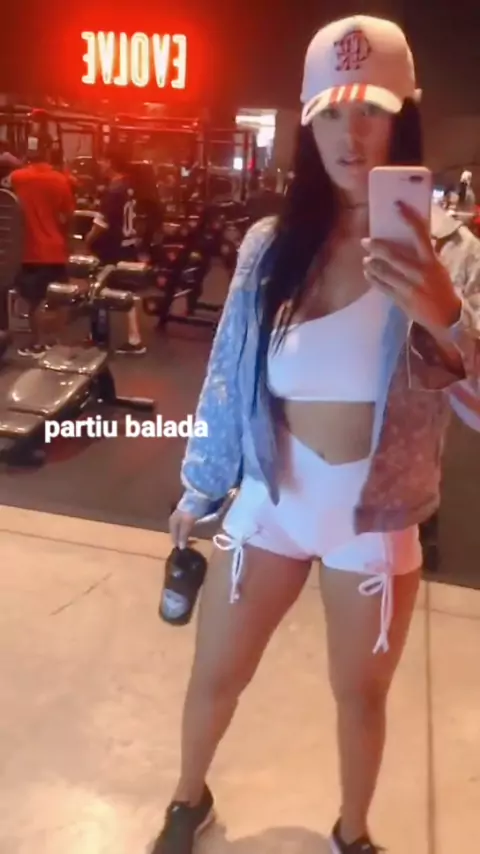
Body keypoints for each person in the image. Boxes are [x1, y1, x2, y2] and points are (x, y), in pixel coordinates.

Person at [157, 15, 480, 854]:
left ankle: (353, 831)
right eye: (331, 113)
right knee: (215, 673)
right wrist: (201, 485)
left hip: (375, 517)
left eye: (372, 110)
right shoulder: (273, 246)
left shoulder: (450, 254)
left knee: (360, 698)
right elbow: (230, 369)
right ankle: (187, 800)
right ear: (307, 122)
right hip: (272, 497)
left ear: (405, 117)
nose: (351, 133)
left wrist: (446, 315)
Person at [6, 136, 75, 357]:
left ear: (28, 154)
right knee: (60, 298)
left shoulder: (18, 177)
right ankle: (54, 341)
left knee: (35, 300)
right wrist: (66, 241)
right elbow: (68, 215)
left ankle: (38, 343)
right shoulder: (61, 180)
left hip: (30, 250)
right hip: (55, 248)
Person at [85, 146, 146, 355]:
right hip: (128, 244)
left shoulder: (114, 190)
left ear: (110, 162)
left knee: (99, 289)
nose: (100, 165)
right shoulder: (129, 187)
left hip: (113, 248)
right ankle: (134, 338)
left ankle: (99, 337)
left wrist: (88, 240)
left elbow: (101, 224)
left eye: (103, 161)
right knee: (127, 291)